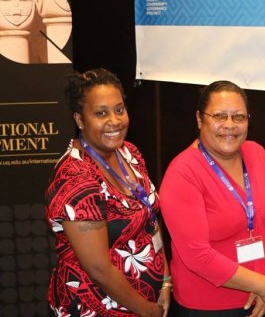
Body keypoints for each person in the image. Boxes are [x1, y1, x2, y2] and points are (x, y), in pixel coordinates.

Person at [159, 80, 265, 317]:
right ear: (200, 120)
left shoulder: (256, 153)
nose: (229, 125)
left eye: (239, 117)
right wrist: (263, 286)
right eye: (219, 116)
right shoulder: (183, 172)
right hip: (208, 308)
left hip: (260, 300)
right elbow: (197, 256)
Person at [45, 68, 171, 317]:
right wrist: (146, 311)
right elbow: (98, 268)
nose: (114, 120)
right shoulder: (75, 179)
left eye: (119, 109)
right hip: (97, 307)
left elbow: (150, 219)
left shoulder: (129, 153)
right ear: (80, 120)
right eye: (101, 113)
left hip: (146, 299)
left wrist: (165, 278)